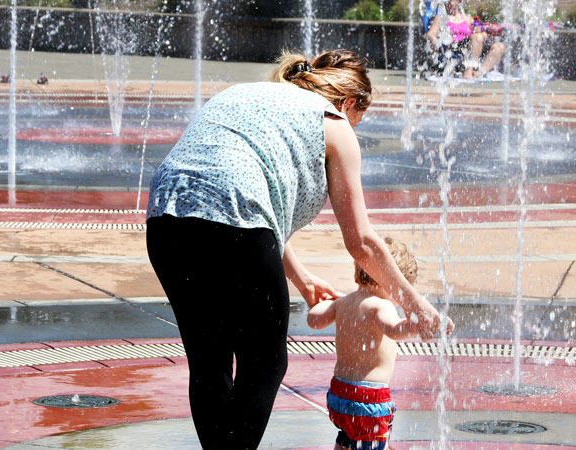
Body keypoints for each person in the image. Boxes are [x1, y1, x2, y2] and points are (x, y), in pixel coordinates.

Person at [146, 49, 454, 449]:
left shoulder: (253, 93)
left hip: (166, 218)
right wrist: (413, 303)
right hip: (236, 224)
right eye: (360, 118)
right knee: (265, 363)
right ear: (349, 103)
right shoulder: (334, 121)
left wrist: (303, 278)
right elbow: (360, 241)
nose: (355, 127)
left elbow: (255, 199)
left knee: (210, 361)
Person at [307, 235, 425, 450]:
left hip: (339, 397)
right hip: (369, 400)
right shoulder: (381, 306)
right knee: (370, 440)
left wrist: (326, 299)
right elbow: (395, 330)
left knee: (348, 436)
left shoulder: (343, 303)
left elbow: (313, 320)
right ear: (392, 280)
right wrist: (417, 323)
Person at [425, 0, 505, 79]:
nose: (448, 2)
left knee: (499, 46)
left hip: (472, 46)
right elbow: (430, 34)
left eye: (451, 0)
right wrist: (437, 43)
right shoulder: (441, 17)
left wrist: (481, 32)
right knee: (476, 37)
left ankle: (480, 73)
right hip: (454, 47)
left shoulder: (467, 18)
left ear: (459, 1)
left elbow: (483, 33)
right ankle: (468, 72)